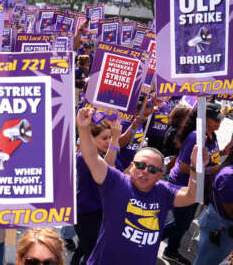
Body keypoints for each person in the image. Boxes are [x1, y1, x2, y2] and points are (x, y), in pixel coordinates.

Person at [76, 107, 203, 265]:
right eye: (141, 165)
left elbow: (192, 196)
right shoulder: (117, 182)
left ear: (159, 175)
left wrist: (196, 169)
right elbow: (91, 158)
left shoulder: (163, 191)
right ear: (132, 166)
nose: (145, 171)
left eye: (152, 169)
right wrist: (83, 128)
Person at [163, 103, 232, 264]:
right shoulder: (196, 136)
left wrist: (223, 152)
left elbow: (209, 158)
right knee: (181, 223)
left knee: (184, 223)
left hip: (198, 187)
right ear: (205, 119)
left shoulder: (211, 136)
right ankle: (150, 240)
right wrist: (213, 170)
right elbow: (184, 167)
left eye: (221, 119)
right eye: (216, 119)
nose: (219, 123)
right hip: (183, 185)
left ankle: (171, 250)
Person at [72, 120, 121, 264]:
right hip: (87, 214)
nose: (108, 142)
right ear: (91, 139)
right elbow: (106, 170)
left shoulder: (105, 154)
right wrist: (115, 140)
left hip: (102, 211)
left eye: (109, 137)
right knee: (94, 253)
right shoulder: (83, 157)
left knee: (84, 248)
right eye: (104, 138)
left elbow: (118, 175)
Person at [193, 155, 233, 265]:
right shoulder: (229, 176)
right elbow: (231, 211)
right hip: (220, 227)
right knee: (207, 261)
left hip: (223, 226)